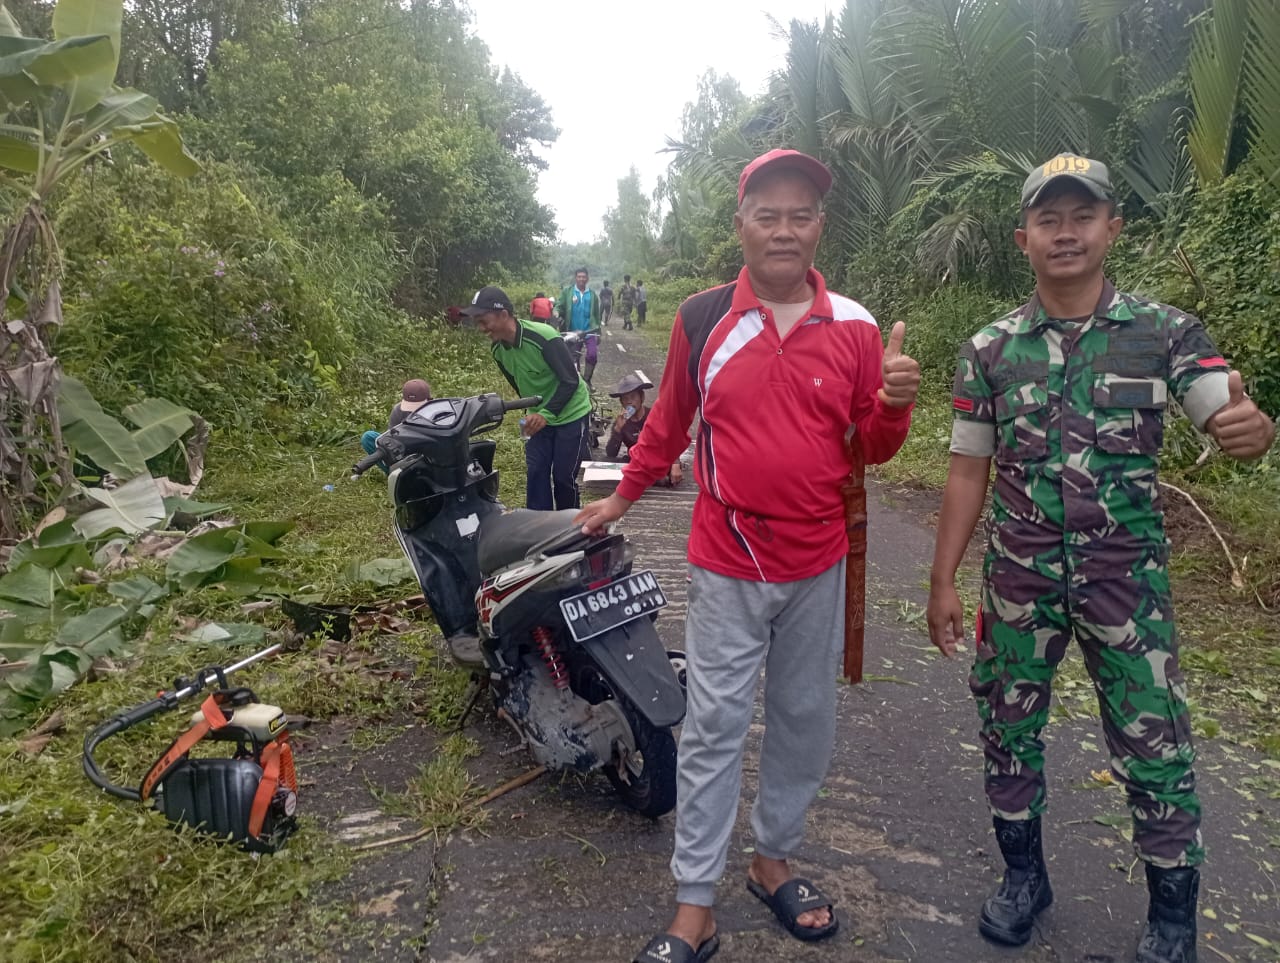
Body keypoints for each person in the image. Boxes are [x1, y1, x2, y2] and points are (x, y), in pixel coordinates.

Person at [925, 153, 1276, 963]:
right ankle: (1024, 878)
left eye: (1082, 216)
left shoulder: (1165, 333)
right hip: (1018, 581)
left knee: (1156, 747)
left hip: (1129, 583)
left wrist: (1253, 435)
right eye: (1049, 219)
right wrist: (943, 577)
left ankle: (1173, 918)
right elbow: (968, 468)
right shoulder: (990, 349)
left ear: (1112, 228)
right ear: (1024, 238)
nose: (1066, 232)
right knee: (1008, 730)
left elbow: (1228, 417)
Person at [576, 148, 920, 963]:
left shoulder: (860, 328)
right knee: (715, 725)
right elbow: (666, 424)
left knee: (804, 719)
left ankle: (772, 861)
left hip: (819, 561)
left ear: (819, 227)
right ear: (741, 225)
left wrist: (898, 407)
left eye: (801, 214)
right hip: (728, 559)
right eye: (767, 213)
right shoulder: (702, 320)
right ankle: (694, 902)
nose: (784, 229)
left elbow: (869, 445)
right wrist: (623, 498)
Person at [462, 285, 591, 511]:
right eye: (477, 323)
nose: (481, 328)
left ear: (503, 315)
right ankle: (539, 531)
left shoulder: (544, 337)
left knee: (563, 478)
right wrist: (533, 415)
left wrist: (547, 413)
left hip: (571, 414)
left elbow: (570, 380)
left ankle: (569, 529)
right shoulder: (498, 350)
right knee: (536, 473)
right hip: (537, 417)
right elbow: (521, 387)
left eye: (484, 321)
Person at [604, 371, 682, 486]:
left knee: (666, 472)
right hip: (637, 461)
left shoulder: (654, 416)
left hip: (657, 459)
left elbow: (671, 440)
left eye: (633, 397)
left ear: (642, 397)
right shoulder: (621, 421)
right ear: (622, 402)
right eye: (625, 399)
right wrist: (617, 429)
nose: (629, 401)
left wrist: (676, 463)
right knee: (608, 462)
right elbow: (611, 453)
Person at [360, 378, 432, 472]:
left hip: (429, 455)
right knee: (368, 437)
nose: (412, 410)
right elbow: (391, 439)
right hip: (403, 452)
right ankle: (395, 475)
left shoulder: (439, 411)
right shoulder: (398, 410)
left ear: (429, 400)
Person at [555, 267, 602, 387]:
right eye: (579, 276)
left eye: (584, 277)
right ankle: (579, 383)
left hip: (589, 331)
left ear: (587, 278)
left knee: (592, 354)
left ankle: (587, 380)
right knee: (573, 358)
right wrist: (556, 313)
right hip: (572, 332)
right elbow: (559, 306)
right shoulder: (568, 292)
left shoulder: (592, 295)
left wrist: (599, 332)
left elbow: (597, 315)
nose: (581, 279)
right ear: (576, 278)